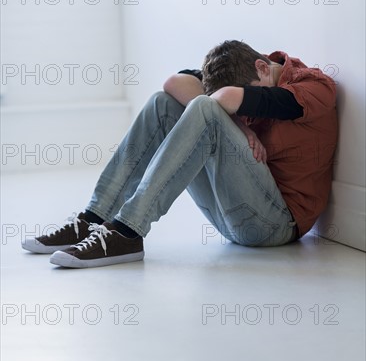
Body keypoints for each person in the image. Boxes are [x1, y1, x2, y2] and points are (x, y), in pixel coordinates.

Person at [22, 40, 338, 268]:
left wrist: (225, 111)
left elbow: (231, 98)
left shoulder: (314, 87)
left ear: (262, 67)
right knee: (164, 104)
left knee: (203, 106)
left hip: (275, 225)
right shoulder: (250, 69)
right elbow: (175, 82)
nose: (244, 118)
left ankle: (129, 230)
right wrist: (243, 130)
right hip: (231, 213)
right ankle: (92, 219)